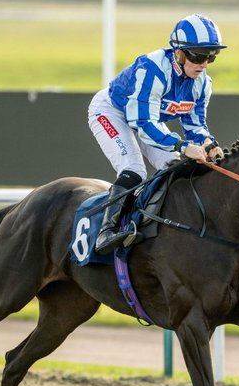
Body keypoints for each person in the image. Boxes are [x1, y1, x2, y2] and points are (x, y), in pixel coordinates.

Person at [88, 13, 227, 254]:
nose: (204, 63)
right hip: (113, 112)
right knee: (134, 170)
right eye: (199, 55)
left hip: (147, 119)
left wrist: (208, 143)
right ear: (179, 52)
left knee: (176, 168)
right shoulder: (152, 69)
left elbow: (195, 125)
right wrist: (183, 147)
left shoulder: (202, 83)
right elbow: (143, 123)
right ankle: (106, 232)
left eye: (212, 56)